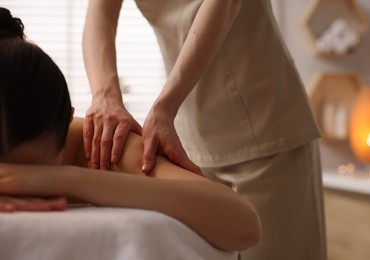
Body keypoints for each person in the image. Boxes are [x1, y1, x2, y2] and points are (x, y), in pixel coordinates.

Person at [0, 8, 261, 252]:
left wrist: (67, 179)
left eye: (27, 176)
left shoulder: (101, 148)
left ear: (66, 119)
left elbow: (244, 224)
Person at [82, 0, 327, 259]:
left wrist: (164, 107)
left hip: (265, 129)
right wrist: (104, 97)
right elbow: (100, 10)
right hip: (187, 142)